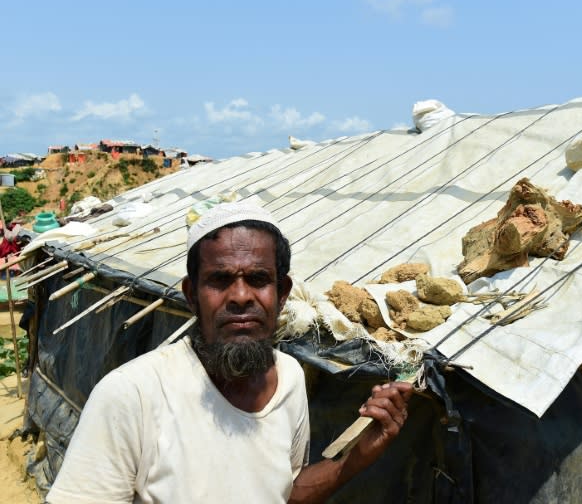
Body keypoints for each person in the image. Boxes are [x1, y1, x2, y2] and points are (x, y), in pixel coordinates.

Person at [47, 203, 413, 503]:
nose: (240, 297)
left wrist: (361, 455)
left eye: (258, 279)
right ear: (191, 294)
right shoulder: (133, 393)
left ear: (282, 293)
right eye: (220, 280)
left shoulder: (290, 376)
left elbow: (284, 491)